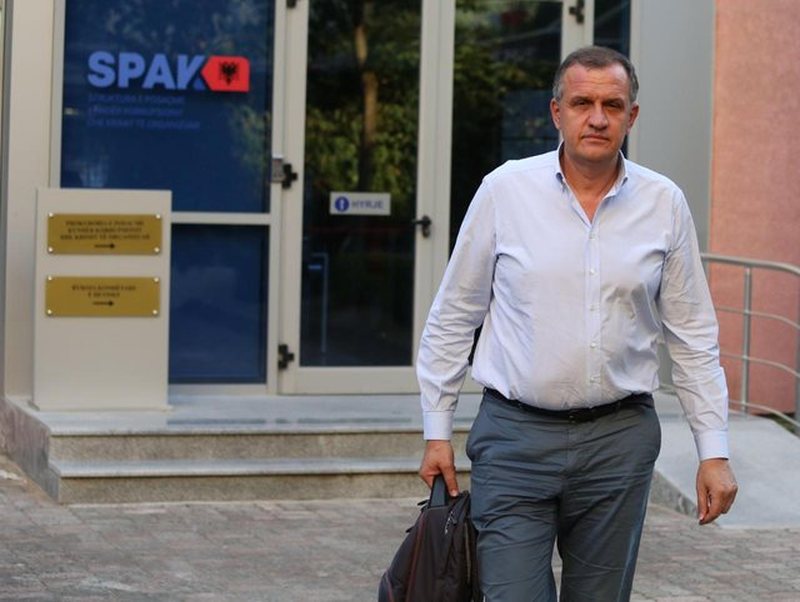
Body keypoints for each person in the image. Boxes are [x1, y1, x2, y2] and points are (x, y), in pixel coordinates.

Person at [416, 46, 738, 601]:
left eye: (612, 105)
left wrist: (714, 451)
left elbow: (693, 338)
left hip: (619, 442)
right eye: (582, 103)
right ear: (556, 112)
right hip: (514, 440)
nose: (597, 118)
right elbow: (453, 317)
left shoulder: (664, 203)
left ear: (632, 116)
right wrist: (436, 431)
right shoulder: (504, 191)